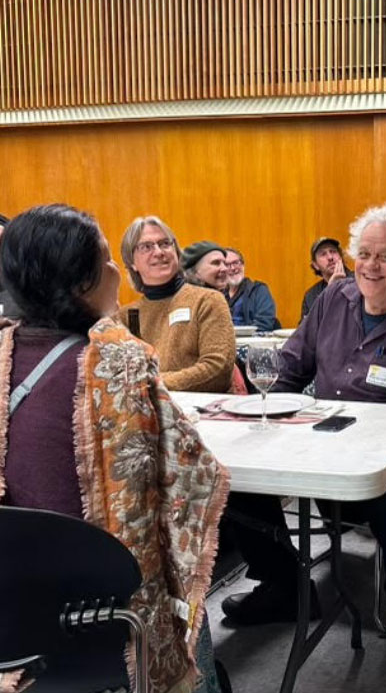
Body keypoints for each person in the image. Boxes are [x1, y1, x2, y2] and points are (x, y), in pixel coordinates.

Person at [222, 205, 386, 669]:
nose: (371, 266)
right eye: (364, 254)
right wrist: (264, 423)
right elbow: (292, 366)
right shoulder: (333, 300)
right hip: (323, 449)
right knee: (235, 478)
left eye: (385, 257)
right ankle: (282, 585)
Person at [0, 204, 230, 693]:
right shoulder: (121, 363)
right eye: (108, 259)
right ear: (81, 282)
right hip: (103, 614)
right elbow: (194, 478)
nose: (116, 271)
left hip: (11, 616)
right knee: (185, 596)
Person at [119, 216, 236, 393]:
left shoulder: (207, 301)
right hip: (144, 415)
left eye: (165, 243)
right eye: (146, 247)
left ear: (176, 252)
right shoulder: (124, 317)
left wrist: (152, 384)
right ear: (132, 262)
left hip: (203, 414)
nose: (158, 252)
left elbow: (217, 370)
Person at [225, 247, 278, 332]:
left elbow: (265, 322)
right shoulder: (218, 294)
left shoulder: (259, 290)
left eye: (236, 263)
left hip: (252, 341)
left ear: (243, 265)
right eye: (227, 265)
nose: (232, 268)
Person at [300, 236, 353, 321]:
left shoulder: (359, 281)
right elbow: (305, 330)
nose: (330, 257)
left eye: (333, 252)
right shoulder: (311, 295)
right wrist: (330, 292)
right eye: (323, 254)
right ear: (315, 265)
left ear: (341, 257)